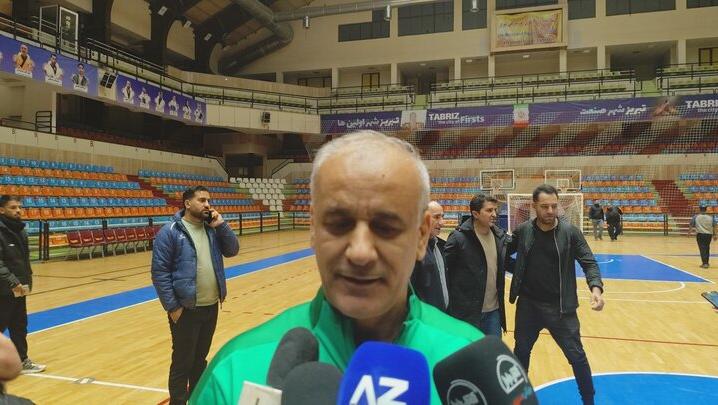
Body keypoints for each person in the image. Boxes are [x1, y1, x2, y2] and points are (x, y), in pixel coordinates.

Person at [190, 131, 483, 404]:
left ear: (421, 235)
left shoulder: (473, 366)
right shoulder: (234, 371)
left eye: (386, 227)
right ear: (314, 228)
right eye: (339, 224)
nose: (360, 252)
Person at [508, 184, 604, 405]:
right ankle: (518, 400)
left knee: (577, 357)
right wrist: (521, 271)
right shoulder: (523, 231)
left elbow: (589, 262)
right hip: (528, 306)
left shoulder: (570, 232)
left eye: (554, 206)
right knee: (521, 354)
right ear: (534, 206)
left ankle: (588, 401)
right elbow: (503, 255)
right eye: (545, 207)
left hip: (561, 308)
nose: (550, 211)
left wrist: (596, 289)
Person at [151, 186, 240, 405]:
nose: (207, 204)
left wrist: (221, 225)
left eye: (208, 200)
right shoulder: (170, 232)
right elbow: (159, 272)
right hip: (186, 309)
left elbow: (232, 250)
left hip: (210, 306)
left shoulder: (212, 229)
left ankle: (198, 400)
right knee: (183, 362)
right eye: (201, 200)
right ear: (187, 203)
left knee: (200, 361)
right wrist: (173, 307)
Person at [444, 193, 509, 337]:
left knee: (492, 350)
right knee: (467, 350)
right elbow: (444, 272)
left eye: (495, 210)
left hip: (493, 312)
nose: (494, 214)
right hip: (466, 314)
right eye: (489, 210)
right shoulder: (458, 238)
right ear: (475, 214)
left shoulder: (499, 236)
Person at [0, 195, 45, 374]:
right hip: (4, 289)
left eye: (19, 207)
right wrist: (12, 282)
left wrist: (25, 282)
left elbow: (22, 261)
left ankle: (22, 360)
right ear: (1, 210)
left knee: (19, 326)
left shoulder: (20, 230)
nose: (18, 210)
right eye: (13, 207)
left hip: (19, 289)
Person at [410, 201, 449, 312]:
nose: (442, 222)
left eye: (442, 217)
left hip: (441, 315)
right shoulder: (414, 250)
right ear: (424, 218)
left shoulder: (439, 246)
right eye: (436, 217)